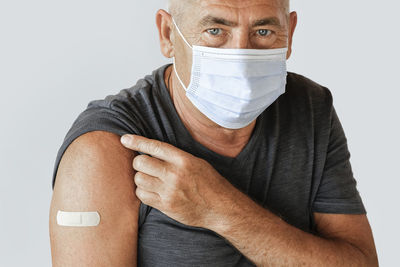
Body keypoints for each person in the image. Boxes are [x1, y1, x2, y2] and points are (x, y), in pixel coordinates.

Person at [49, 0, 379, 266]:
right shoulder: (105, 148)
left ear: (290, 33)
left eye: (263, 31)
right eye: (215, 30)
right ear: (167, 34)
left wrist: (220, 210)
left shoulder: (310, 108)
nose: (241, 56)